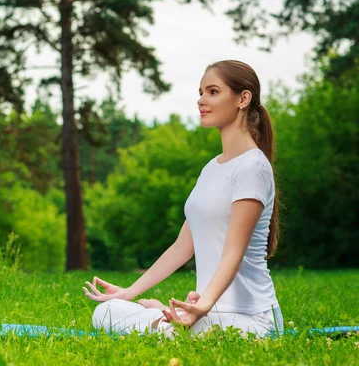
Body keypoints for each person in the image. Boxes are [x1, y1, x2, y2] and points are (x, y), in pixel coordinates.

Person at [82, 60, 284, 338]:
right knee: (106, 311)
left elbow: (233, 253)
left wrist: (203, 305)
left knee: (167, 333)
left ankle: (156, 315)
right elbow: (182, 247)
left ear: (243, 98)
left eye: (213, 92)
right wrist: (128, 292)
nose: (201, 100)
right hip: (205, 312)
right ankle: (156, 314)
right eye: (201, 92)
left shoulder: (252, 167)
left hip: (252, 319)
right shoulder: (212, 168)